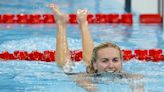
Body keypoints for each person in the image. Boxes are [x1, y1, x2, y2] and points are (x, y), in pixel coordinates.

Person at [48, 4, 144, 92]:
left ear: (121, 61)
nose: (111, 65)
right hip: (86, 72)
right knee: (65, 66)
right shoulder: (86, 77)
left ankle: (83, 23)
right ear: (95, 65)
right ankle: (61, 24)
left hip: (93, 66)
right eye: (105, 61)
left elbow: (137, 80)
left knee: (90, 60)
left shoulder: (127, 76)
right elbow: (82, 80)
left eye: (115, 60)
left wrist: (138, 87)